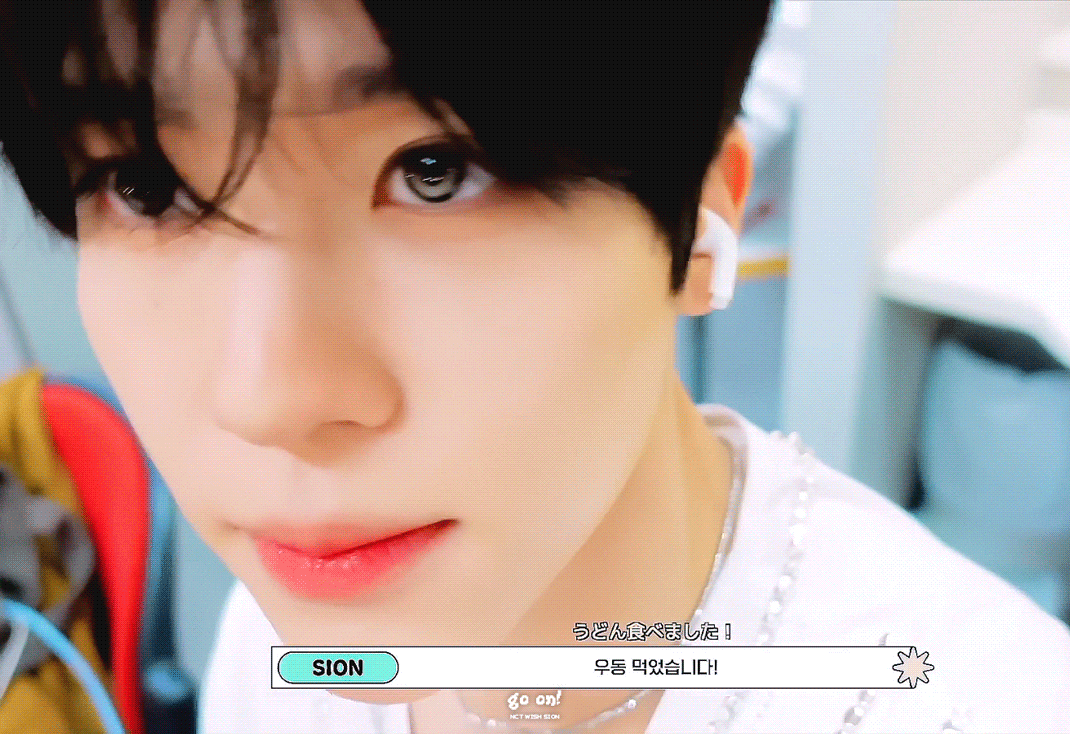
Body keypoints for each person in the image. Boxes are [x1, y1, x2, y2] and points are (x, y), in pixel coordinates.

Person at [2, 1, 1069, 732]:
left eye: (435, 170)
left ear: (702, 221)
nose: (270, 400)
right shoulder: (286, 630)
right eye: (146, 186)